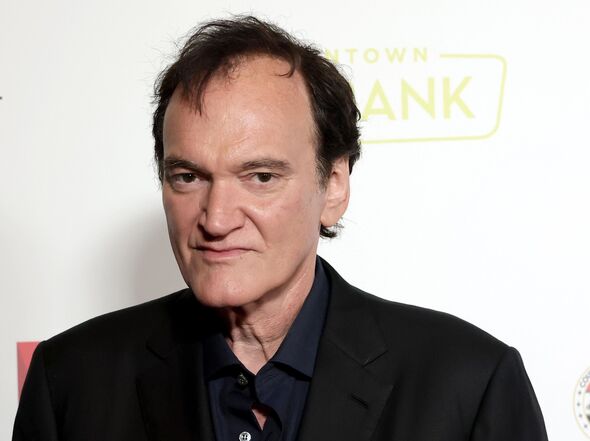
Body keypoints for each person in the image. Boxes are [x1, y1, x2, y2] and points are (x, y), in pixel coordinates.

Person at [13, 16, 548, 441]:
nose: (216, 218)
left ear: (333, 186)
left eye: (261, 177)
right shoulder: (72, 381)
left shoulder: (468, 384)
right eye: (188, 176)